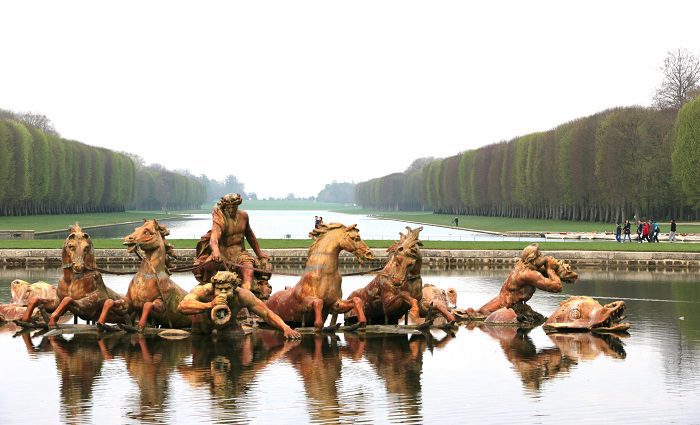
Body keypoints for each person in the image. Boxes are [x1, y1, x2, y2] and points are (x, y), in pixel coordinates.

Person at [178, 271, 300, 339]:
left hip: (228, 328)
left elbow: (267, 314)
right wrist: (210, 304)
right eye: (220, 289)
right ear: (214, 287)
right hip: (203, 327)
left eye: (227, 289)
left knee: (236, 339)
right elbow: (182, 306)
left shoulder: (243, 295)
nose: (223, 293)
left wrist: (285, 327)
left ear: (235, 288)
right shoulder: (204, 290)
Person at [193, 194, 269, 291]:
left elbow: (250, 236)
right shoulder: (220, 218)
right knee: (206, 266)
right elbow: (214, 237)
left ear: (238, 205)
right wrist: (215, 251)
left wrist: (260, 254)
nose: (231, 210)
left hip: (240, 254)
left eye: (234, 207)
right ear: (225, 206)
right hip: (223, 253)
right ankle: (208, 290)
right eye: (229, 207)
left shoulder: (244, 216)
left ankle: (246, 292)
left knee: (248, 270)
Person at [465, 244, 564, 317]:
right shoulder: (528, 274)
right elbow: (556, 287)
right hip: (503, 307)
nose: (544, 257)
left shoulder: (521, 265)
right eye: (541, 255)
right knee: (480, 314)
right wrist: (550, 269)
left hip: (500, 301)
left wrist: (551, 267)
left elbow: (539, 272)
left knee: (479, 312)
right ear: (533, 259)